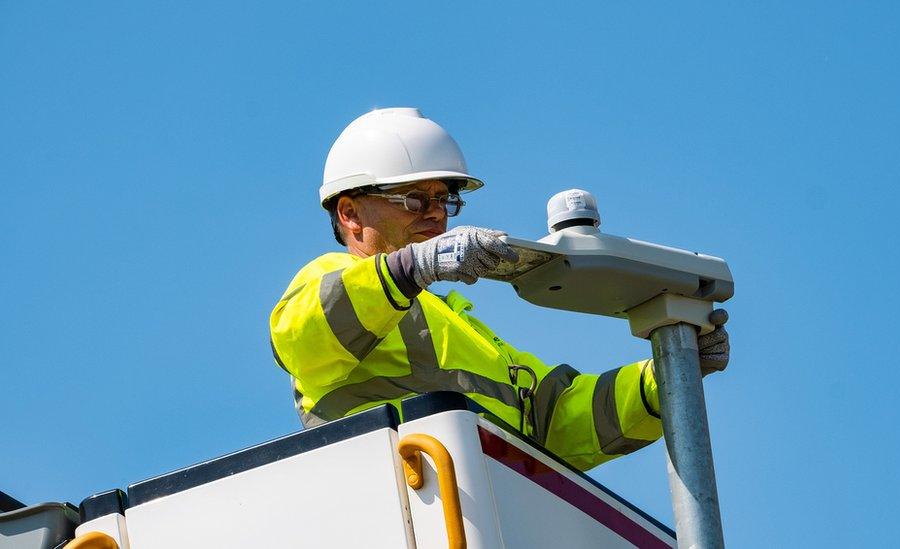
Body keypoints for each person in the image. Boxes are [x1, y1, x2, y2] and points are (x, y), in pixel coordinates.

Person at [269, 108, 730, 471]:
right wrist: (413, 267)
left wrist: (670, 373)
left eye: (444, 199)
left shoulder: (455, 325)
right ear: (349, 214)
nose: (436, 215)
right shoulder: (331, 278)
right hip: (400, 507)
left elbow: (557, 420)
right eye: (414, 199)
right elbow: (300, 338)